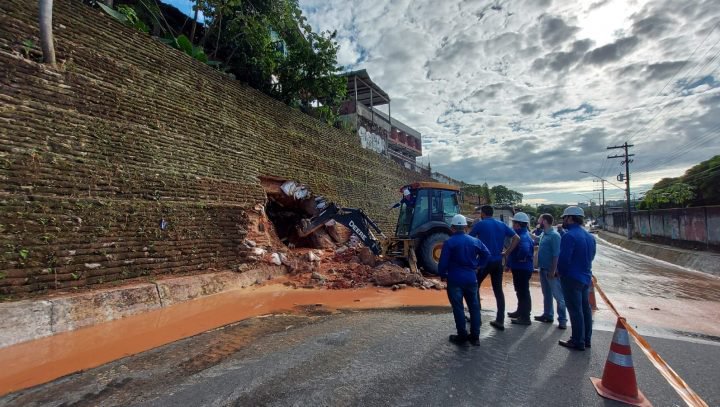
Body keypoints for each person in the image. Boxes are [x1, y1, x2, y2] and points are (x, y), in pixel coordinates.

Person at [438, 214, 491, 346]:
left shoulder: (449, 242)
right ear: (465, 227)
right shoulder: (475, 241)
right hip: (471, 278)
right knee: (474, 307)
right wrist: (479, 265)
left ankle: (462, 336)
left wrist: (442, 274)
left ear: (452, 227)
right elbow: (487, 254)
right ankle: (475, 337)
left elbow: (443, 262)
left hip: (455, 279)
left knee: (458, 308)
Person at [469, 205, 520, 330]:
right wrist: (506, 253)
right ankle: (500, 320)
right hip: (498, 261)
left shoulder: (480, 224)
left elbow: (469, 240)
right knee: (498, 291)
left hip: (484, 261)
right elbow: (516, 238)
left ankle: (476, 318)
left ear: (483, 213)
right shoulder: (501, 224)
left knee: (475, 287)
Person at [557, 206, 597, 351]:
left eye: (564, 218)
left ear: (571, 218)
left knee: (575, 310)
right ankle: (586, 339)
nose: (563, 221)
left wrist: (560, 272)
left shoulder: (569, 236)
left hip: (571, 277)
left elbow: (564, 259)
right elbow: (592, 256)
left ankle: (577, 340)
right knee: (585, 309)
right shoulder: (590, 237)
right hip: (585, 277)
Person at [533, 213, 567, 329]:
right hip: (543, 269)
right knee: (546, 294)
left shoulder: (555, 236)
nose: (538, 222)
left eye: (540, 220)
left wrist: (553, 270)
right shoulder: (544, 234)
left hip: (550, 270)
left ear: (545, 221)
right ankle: (548, 315)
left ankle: (562, 320)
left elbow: (556, 255)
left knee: (558, 296)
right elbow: (537, 239)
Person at [505, 212, 535, 325]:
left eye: (514, 223)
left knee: (523, 292)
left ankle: (525, 317)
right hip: (521, 268)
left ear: (517, 224)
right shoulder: (523, 234)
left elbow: (524, 249)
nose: (512, 225)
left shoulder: (522, 236)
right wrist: (510, 264)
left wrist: (518, 259)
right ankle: (520, 311)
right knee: (520, 291)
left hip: (522, 268)